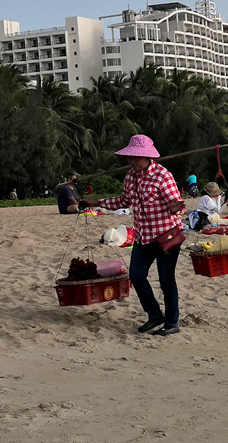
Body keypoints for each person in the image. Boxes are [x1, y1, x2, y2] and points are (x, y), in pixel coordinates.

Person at [79, 135, 186, 336]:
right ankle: (154, 315)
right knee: (136, 275)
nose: (132, 161)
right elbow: (123, 201)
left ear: (147, 157)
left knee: (166, 279)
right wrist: (96, 203)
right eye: (130, 157)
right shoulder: (130, 177)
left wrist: (174, 208)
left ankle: (172, 322)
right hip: (143, 236)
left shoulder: (162, 175)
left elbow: (177, 205)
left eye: (136, 157)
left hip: (166, 235)